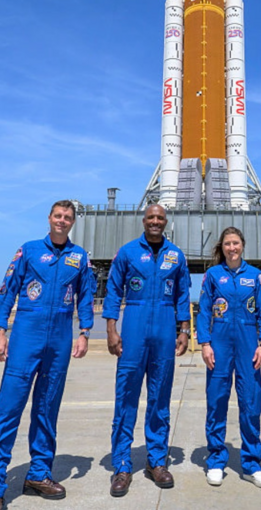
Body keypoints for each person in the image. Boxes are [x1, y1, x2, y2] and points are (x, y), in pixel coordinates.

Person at [0, 200, 95, 510]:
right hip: (26, 338)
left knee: (47, 409)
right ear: (49, 219)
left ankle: (38, 474)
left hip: (60, 341)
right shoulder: (30, 250)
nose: (62, 221)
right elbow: (8, 289)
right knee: (8, 411)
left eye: (68, 217)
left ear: (73, 222)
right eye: (58, 216)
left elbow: (86, 296)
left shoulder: (79, 257)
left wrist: (85, 332)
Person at [103, 204, 191, 498]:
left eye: (160, 218)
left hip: (165, 329)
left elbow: (182, 295)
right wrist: (111, 329)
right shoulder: (127, 252)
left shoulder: (175, 255)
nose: (155, 221)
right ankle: (122, 465)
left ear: (166, 222)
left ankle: (156, 461)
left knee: (160, 398)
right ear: (144, 221)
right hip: (135, 327)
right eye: (151, 217)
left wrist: (184, 330)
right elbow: (114, 291)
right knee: (126, 396)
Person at [196, 227, 261, 489]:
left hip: (249, 343)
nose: (232, 248)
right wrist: (204, 343)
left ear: (243, 245)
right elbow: (204, 310)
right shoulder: (213, 275)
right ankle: (216, 459)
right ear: (222, 247)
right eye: (227, 244)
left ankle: (251, 463)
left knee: (250, 401)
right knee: (217, 400)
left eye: (236, 243)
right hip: (220, 342)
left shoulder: (256, 276)